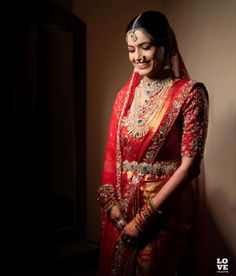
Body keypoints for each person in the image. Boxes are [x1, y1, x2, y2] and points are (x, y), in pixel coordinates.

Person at [97, 10, 208, 276]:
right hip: (123, 209)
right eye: (131, 49)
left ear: (165, 44)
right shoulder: (125, 95)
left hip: (165, 213)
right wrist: (111, 204)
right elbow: (112, 155)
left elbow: (190, 167)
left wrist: (144, 219)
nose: (137, 56)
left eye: (145, 47)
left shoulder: (190, 95)